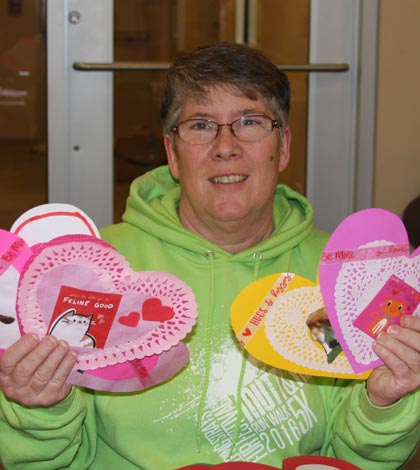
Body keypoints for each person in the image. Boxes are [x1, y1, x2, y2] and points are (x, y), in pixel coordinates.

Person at [0, 42, 419, 470]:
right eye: (201, 125)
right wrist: (39, 407)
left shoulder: (346, 280)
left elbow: (357, 459)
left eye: (250, 122)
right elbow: (44, 461)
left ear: (284, 147)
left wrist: (382, 404)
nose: (225, 146)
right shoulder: (94, 272)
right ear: (172, 154)